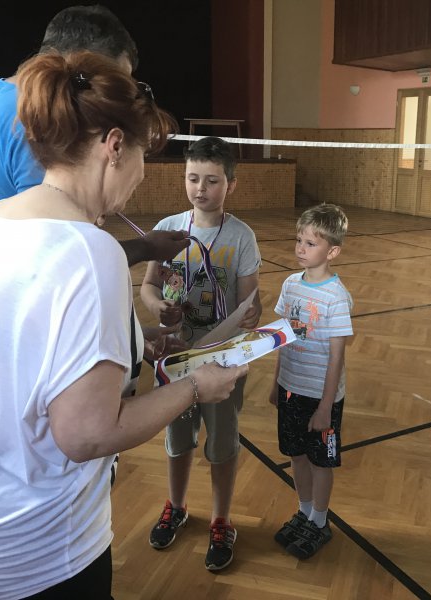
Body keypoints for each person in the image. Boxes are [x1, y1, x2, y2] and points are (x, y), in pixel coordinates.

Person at [0, 51, 247, 600]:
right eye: (143, 155)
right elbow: (88, 434)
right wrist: (196, 386)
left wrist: (138, 342)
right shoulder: (90, 252)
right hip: (33, 528)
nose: (142, 175)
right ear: (114, 145)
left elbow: (31, 348)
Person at [0, 4, 188, 354]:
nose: (113, 97)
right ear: (79, 65)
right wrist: (145, 249)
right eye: (112, 81)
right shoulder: (39, 124)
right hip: (28, 339)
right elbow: (64, 257)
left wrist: (130, 334)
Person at [140, 136, 262, 571]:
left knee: (222, 444)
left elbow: (251, 302)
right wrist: (158, 307)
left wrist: (253, 313)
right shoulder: (168, 228)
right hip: (175, 359)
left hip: (223, 363)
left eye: (212, 180)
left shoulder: (241, 236)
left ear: (231, 184)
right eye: (193, 178)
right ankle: (176, 506)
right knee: (178, 441)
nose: (200, 188)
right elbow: (149, 286)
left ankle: (220, 519)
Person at [269, 203, 353, 560]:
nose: (300, 248)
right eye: (299, 240)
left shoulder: (336, 297)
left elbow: (337, 357)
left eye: (310, 243)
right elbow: (283, 337)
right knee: (296, 454)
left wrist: (325, 407)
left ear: (332, 252)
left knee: (320, 461)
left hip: (321, 397)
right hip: (291, 388)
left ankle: (319, 519)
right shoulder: (290, 285)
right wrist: (277, 382)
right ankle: (304, 512)